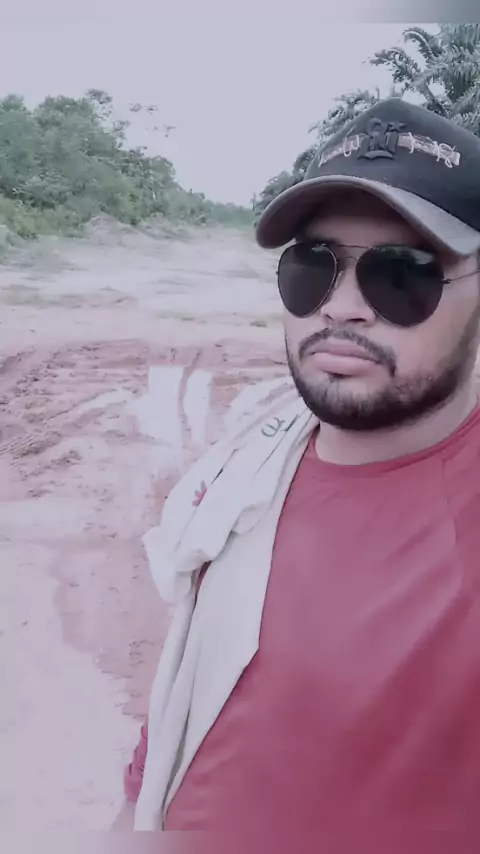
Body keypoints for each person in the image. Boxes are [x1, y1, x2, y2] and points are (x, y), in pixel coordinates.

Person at [114, 98, 480, 847]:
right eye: (314, 267)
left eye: (401, 274)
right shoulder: (246, 467)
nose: (341, 308)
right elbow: (186, 693)